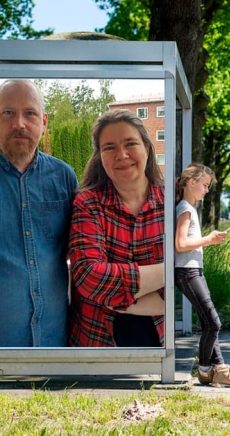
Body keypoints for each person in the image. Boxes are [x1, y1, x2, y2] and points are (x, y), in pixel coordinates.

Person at [68, 109, 165, 347]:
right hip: (96, 345)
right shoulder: (87, 204)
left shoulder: (171, 203)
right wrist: (167, 272)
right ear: (99, 155)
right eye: (109, 147)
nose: (121, 155)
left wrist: (114, 293)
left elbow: (192, 273)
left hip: (161, 346)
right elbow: (89, 277)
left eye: (130, 143)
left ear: (147, 148)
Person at [0, 80, 78, 347]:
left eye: (29, 113)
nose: (19, 123)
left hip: (55, 341)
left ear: (43, 121)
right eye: (7, 113)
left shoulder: (64, 177)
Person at [175, 163, 230, 387]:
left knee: (210, 321)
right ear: (191, 182)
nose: (207, 190)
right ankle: (206, 370)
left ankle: (218, 370)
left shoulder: (188, 207)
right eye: (205, 185)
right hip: (187, 272)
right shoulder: (185, 208)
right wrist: (210, 239)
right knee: (213, 323)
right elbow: (180, 244)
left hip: (194, 270)